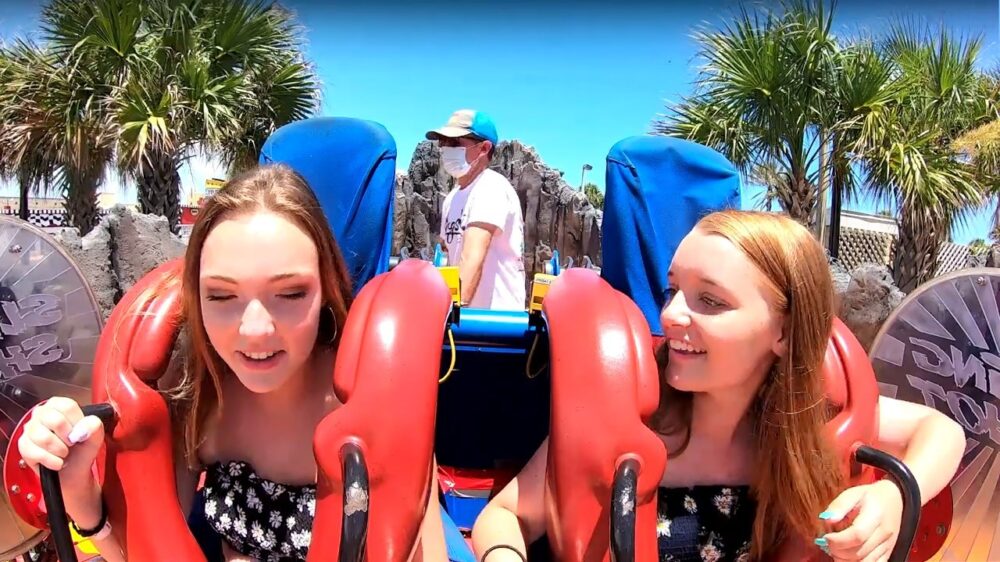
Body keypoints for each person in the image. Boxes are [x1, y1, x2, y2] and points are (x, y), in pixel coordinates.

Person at [471, 210, 965, 562]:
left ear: (784, 332)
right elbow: (506, 516)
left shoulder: (811, 416)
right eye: (673, 290)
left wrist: (896, 497)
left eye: (710, 301)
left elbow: (942, 431)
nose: (670, 314)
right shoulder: (624, 412)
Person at [16, 164, 448, 562]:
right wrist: (78, 490)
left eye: (290, 294)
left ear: (326, 288)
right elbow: (139, 550)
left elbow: (422, 550)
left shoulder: (376, 403)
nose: (255, 330)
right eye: (222, 296)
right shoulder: (194, 393)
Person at [426, 109, 526, 310]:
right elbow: (449, 258)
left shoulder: (491, 187)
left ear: (484, 148)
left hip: (493, 323)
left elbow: (472, 258)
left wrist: (446, 314)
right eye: (443, 142)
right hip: (464, 319)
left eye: (455, 142)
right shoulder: (452, 197)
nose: (445, 148)